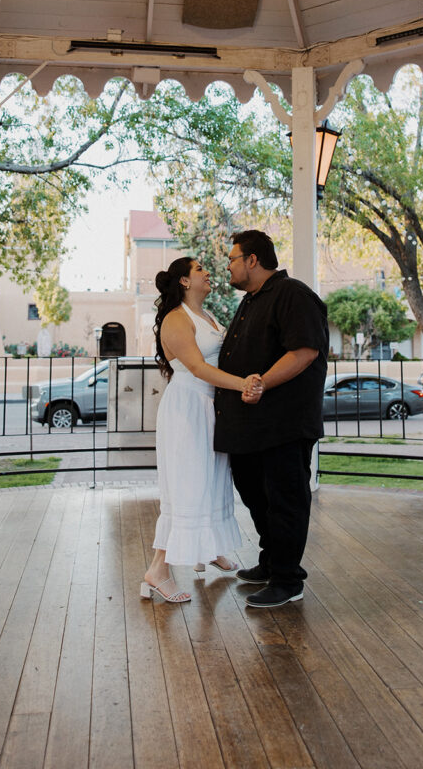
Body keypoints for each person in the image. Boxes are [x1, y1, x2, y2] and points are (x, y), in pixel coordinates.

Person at [214, 230, 329, 609]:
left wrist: (262, 383)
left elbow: (304, 352)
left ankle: (287, 578)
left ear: (252, 260)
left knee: (285, 500)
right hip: (249, 427)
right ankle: (269, 562)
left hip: (283, 423)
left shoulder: (292, 294)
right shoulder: (250, 301)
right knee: (254, 494)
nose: (228, 265)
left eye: (232, 258)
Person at [141, 256, 262, 604]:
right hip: (187, 410)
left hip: (212, 408)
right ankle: (158, 570)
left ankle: (206, 551)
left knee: (213, 482)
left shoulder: (208, 317)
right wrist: (243, 384)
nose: (208, 273)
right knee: (187, 488)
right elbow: (195, 367)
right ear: (183, 281)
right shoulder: (176, 319)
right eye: (199, 270)